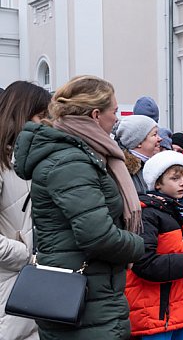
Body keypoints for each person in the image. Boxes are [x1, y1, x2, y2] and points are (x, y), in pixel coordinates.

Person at [13, 75, 145, 339]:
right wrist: (139, 245)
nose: (117, 119)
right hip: (83, 297)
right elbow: (97, 235)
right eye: (114, 111)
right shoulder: (70, 161)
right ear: (96, 115)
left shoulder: (83, 154)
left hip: (94, 293)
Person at [126, 151, 183, 339]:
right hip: (156, 311)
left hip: (178, 307)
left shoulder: (177, 212)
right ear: (158, 183)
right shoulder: (149, 214)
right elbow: (143, 262)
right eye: (175, 178)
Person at [0, 81, 50, 340]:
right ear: (21, 114)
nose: (46, 124)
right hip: (10, 283)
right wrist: (25, 254)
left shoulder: (29, 162)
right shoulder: (2, 163)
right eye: (41, 116)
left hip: (31, 283)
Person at [115, 114, 161, 194]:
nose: (160, 138)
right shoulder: (124, 169)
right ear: (139, 142)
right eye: (154, 134)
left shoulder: (152, 165)